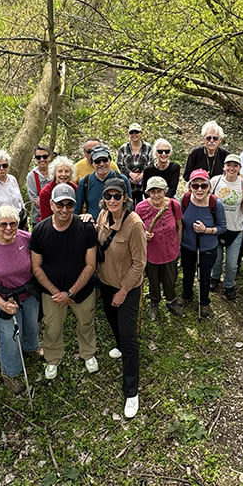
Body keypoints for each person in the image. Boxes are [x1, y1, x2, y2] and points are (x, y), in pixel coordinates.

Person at [30, 184, 99, 381]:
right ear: (51, 204)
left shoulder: (86, 228)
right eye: (60, 204)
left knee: (86, 322)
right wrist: (56, 293)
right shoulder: (39, 230)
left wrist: (71, 292)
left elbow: (90, 265)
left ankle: (88, 353)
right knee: (52, 327)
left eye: (69, 205)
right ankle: (52, 358)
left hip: (82, 291)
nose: (65, 209)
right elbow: (36, 267)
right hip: (51, 293)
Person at [95, 178, 147, 418]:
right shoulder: (103, 217)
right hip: (105, 283)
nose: (113, 201)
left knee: (129, 338)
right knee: (112, 321)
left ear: (125, 198)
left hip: (127, 288)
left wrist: (124, 290)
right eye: (109, 196)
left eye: (117, 196)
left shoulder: (134, 224)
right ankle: (117, 344)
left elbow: (139, 264)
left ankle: (131, 391)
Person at [0, 206, 40, 396]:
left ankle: (31, 348)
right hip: (3, 297)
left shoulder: (27, 238)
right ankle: (10, 372)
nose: (9, 228)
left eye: (13, 223)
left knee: (32, 325)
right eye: (3, 224)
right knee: (10, 337)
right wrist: (1, 303)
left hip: (28, 293)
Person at [177, 169, 227, 317]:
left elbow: (222, 227)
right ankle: (187, 296)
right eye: (195, 185)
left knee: (204, 276)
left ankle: (204, 302)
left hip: (207, 248)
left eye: (203, 186)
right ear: (190, 186)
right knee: (187, 273)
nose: (199, 189)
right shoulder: (185, 199)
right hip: (187, 246)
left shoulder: (215, 203)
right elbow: (179, 222)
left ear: (209, 186)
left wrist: (206, 230)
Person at [135, 175, 184, 319]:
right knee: (153, 280)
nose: (156, 195)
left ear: (165, 191)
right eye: (152, 191)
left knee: (170, 279)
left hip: (170, 252)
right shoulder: (141, 208)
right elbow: (136, 229)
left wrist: (178, 247)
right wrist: (144, 234)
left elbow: (179, 227)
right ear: (148, 192)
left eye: (159, 191)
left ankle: (171, 301)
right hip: (151, 254)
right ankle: (154, 303)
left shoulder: (174, 205)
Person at [208, 154, 243, 301]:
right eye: (229, 165)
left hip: (236, 228)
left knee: (232, 264)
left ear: (239, 168)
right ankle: (214, 277)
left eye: (235, 166)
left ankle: (229, 284)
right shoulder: (215, 181)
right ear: (224, 167)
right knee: (217, 259)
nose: (231, 168)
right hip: (217, 228)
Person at [75, 146, 131, 221]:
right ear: (92, 163)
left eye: (104, 160)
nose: (101, 164)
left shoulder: (121, 179)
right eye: (97, 161)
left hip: (117, 225)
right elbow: (77, 209)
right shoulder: (85, 182)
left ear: (110, 161)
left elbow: (129, 207)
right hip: (92, 226)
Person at [118, 123, 154, 204]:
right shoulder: (123, 148)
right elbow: (120, 164)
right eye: (132, 132)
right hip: (128, 184)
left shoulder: (148, 147)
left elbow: (151, 164)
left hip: (144, 185)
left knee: (143, 206)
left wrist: (141, 175)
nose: (134, 134)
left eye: (136, 132)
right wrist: (130, 174)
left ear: (141, 133)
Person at [38, 156, 77, 222]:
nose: (63, 174)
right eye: (60, 171)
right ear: (54, 173)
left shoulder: (75, 189)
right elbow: (45, 218)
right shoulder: (46, 192)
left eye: (67, 171)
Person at [26, 146, 52, 224]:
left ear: (49, 157)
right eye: (38, 157)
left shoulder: (55, 172)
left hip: (56, 217)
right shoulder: (32, 176)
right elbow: (34, 199)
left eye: (44, 157)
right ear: (35, 159)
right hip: (38, 218)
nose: (42, 160)